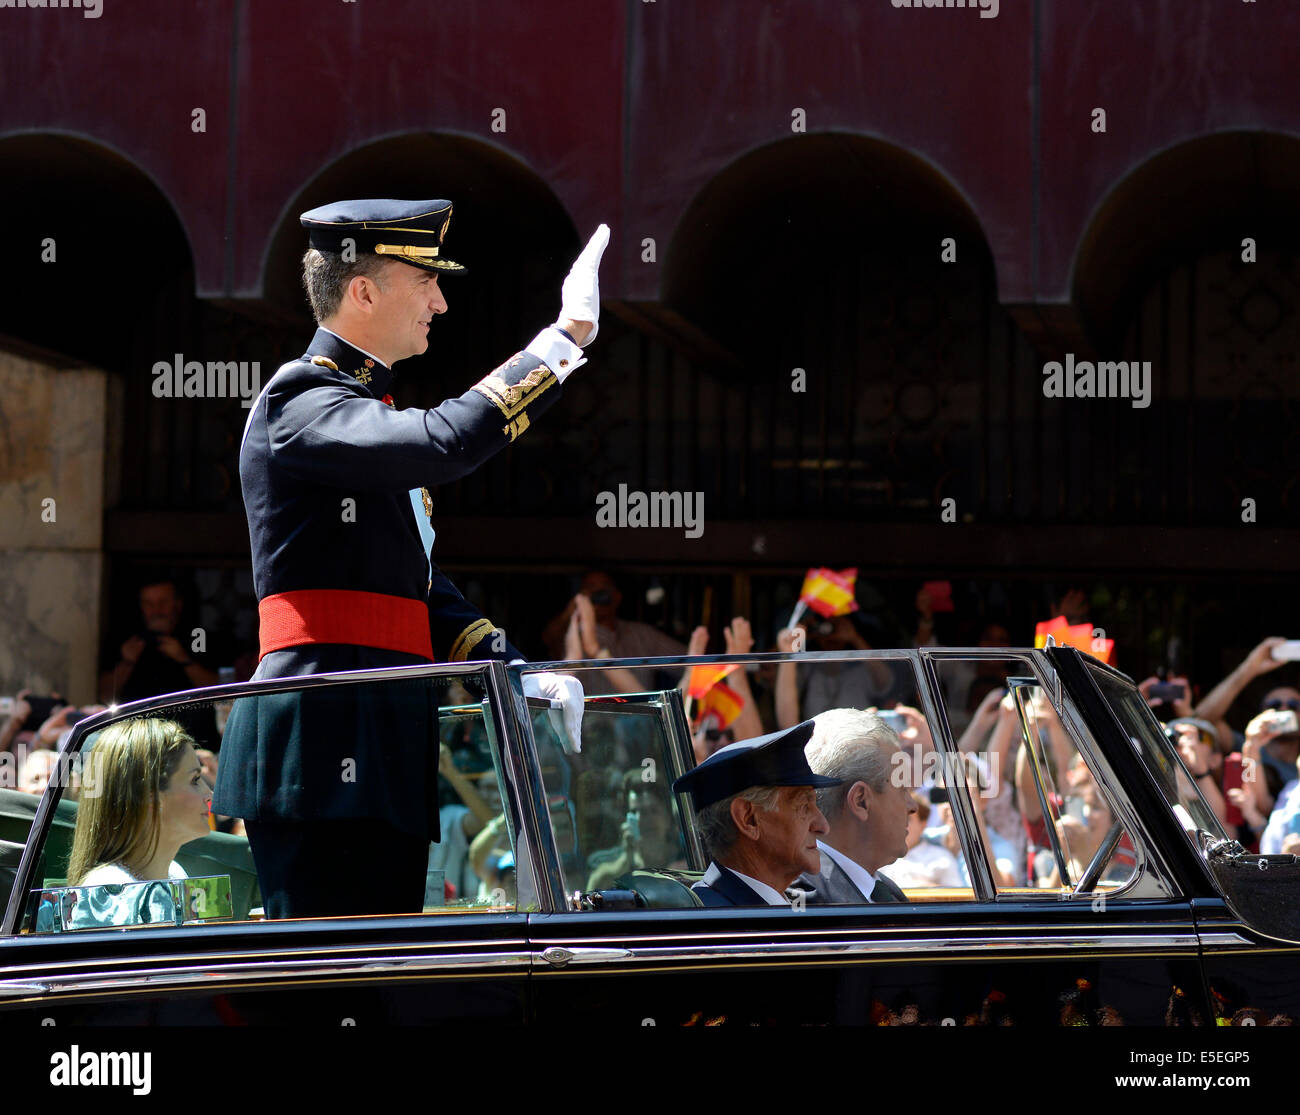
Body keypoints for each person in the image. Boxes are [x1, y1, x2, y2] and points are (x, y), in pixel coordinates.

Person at [212, 199, 608, 919]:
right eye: (424, 281)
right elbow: (445, 442)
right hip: (321, 736)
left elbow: (418, 593)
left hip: (383, 734)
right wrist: (562, 341)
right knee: (326, 984)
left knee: (386, 981)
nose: (441, 300)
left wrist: (518, 669)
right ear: (362, 291)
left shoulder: (356, 408)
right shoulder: (298, 399)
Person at [671, 719, 840, 906]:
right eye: (803, 806)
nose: (822, 826)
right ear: (748, 819)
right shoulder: (717, 926)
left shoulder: (758, 910)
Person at [65, 719, 212, 928]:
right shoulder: (109, 890)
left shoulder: (175, 873)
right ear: (150, 796)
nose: (209, 793)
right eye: (195, 780)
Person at [791, 708, 915, 904]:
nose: (913, 805)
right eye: (903, 789)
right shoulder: (806, 897)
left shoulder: (886, 890)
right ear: (860, 801)